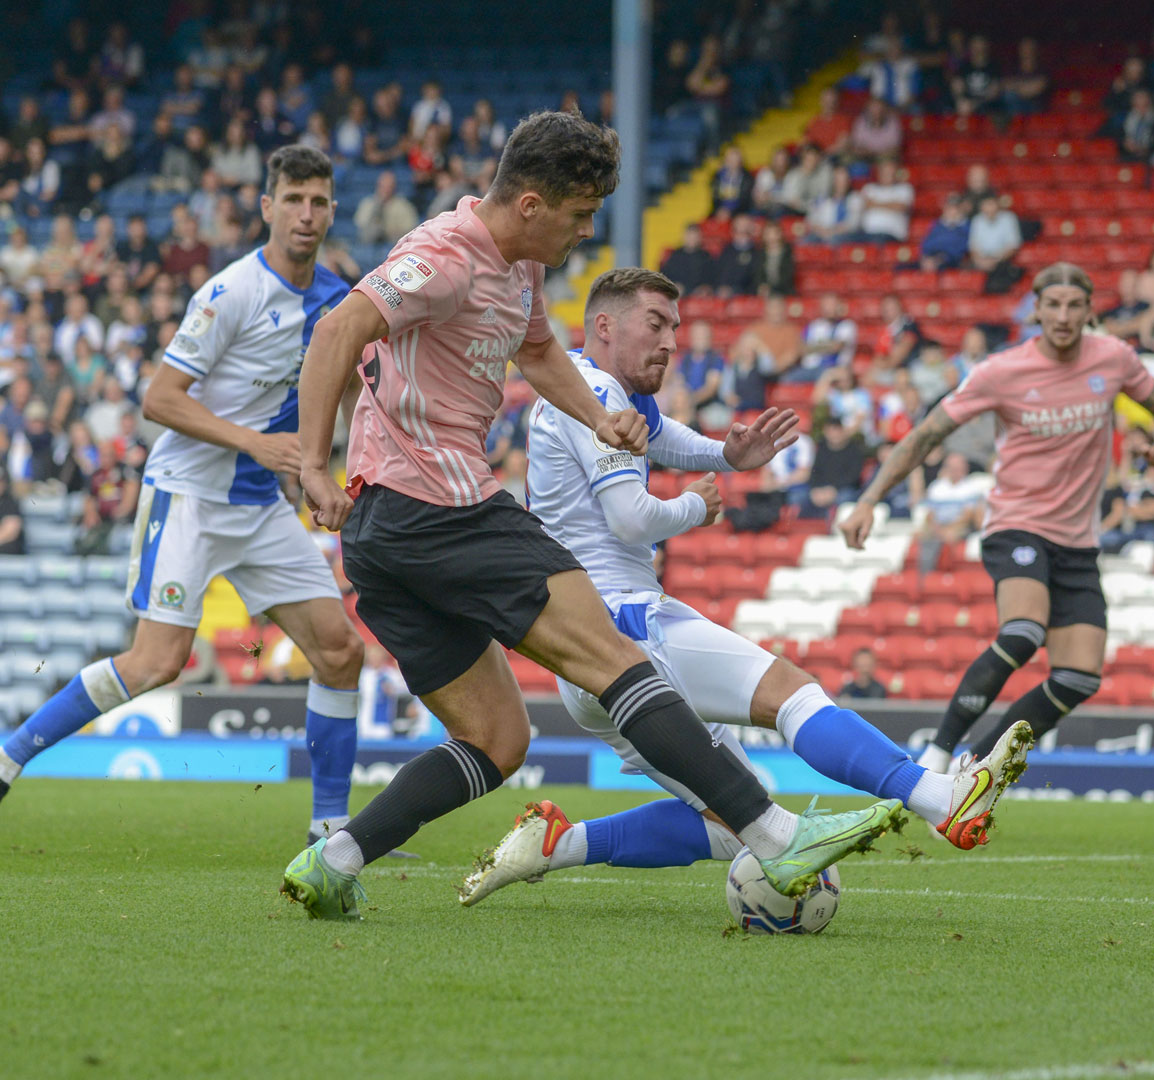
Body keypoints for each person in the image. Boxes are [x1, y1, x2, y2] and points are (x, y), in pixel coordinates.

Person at [272, 113, 896, 918]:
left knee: (499, 740)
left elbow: (537, 355)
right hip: (442, 505)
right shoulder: (445, 257)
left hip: (385, 538)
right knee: (615, 658)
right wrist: (309, 462)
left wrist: (599, 419)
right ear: (531, 204)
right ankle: (775, 835)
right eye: (580, 212)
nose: (588, 229)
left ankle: (334, 859)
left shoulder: (518, 266)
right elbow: (338, 329)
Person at [458, 269, 1023, 904]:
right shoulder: (593, 390)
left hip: (584, 658)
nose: (671, 339)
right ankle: (943, 797)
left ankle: (560, 844)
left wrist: (729, 456)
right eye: (655, 323)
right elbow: (630, 517)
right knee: (791, 693)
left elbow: (667, 436)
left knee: (735, 821)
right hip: (622, 626)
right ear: (604, 326)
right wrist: (696, 507)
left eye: (674, 325)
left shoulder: (602, 393)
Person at [0, 146, 372, 849]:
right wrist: (259, 445)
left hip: (257, 505)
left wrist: (324, 464)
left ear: (334, 210)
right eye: (293, 199)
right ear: (267, 207)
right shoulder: (231, 291)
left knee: (339, 652)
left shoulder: (335, 299)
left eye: (319, 201)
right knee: (157, 663)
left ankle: (330, 830)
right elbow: (158, 399)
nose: (307, 213)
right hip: (188, 494)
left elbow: (344, 386)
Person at [839, 263, 1154, 768]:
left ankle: (976, 768)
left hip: (1079, 540)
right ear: (1037, 310)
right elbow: (926, 435)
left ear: (1090, 311)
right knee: (1023, 632)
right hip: (1016, 523)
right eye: (1053, 305)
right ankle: (935, 756)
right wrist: (869, 500)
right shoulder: (1002, 371)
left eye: (1074, 306)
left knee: (1079, 677)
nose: (1064, 316)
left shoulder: (1114, 358)